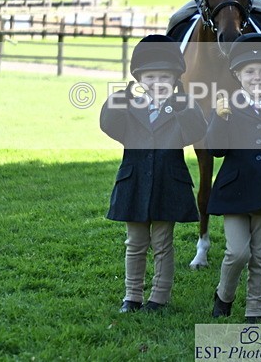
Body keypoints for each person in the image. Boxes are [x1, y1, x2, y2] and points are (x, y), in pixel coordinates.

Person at [99, 34, 207, 314]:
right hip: (134, 183)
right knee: (134, 243)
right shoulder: (129, 107)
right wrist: (118, 98)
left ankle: (159, 297)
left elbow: (196, 131)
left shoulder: (181, 107)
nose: (157, 83)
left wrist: (184, 105)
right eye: (150, 78)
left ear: (174, 80)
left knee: (162, 243)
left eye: (164, 78)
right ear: (138, 80)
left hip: (167, 185)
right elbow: (109, 125)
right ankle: (131, 296)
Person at [205, 33, 261, 323]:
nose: (257, 77)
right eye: (250, 71)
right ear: (237, 74)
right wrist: (219, 118)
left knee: (260, 256)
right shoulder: (226, 104)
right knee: (237, 253)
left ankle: (255, 309)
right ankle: (224, 295)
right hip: (234, 191)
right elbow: (216, 150)